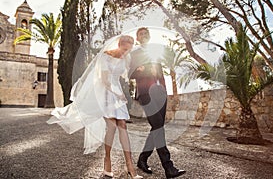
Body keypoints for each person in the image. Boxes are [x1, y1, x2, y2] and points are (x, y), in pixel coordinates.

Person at [47, 35, 143, 179]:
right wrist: (117, 94)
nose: (125, 53)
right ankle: (107, 161)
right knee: (111, 127)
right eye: (124, 49)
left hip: (117, 92)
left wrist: (139, 70)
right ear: (118, 44)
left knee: (122, 124)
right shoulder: (105, 57)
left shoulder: (126, 58)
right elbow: (104, 80)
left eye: (128, 50)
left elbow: (125, 75)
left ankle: (130, 165)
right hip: (105, 93)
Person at [128, 27, 186, 178]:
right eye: (141, 33)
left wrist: (165, 90)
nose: (144, 35)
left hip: (160, 92)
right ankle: (168, 167)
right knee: (158, 127)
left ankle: (143, 159)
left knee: (157, 127)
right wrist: (144, 70)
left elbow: (159, 72)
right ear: (137, 38)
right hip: (145, 93)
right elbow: (130, 73)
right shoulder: (134, 53)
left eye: (146, 33)